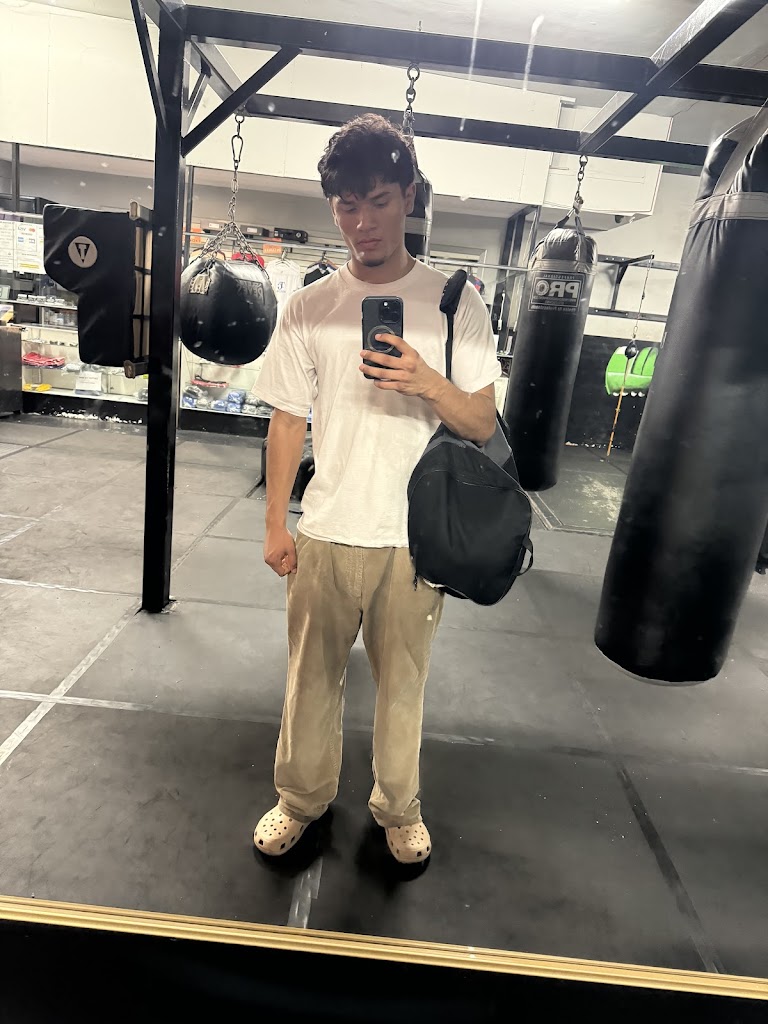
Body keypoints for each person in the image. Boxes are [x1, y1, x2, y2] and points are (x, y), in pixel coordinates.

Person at [252, 113, 500, 865]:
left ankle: (398, 808)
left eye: (380, 201)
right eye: (347, 206)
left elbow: (481, 423)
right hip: (326, 530)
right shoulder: (309, 306)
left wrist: (426, 380)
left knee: (402, 690)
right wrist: (275, 524)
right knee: (308, 684)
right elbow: (287, 420)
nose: (363, 222)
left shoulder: (455, 303)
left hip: (412, 539)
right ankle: (300, 798)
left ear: (409, 197)